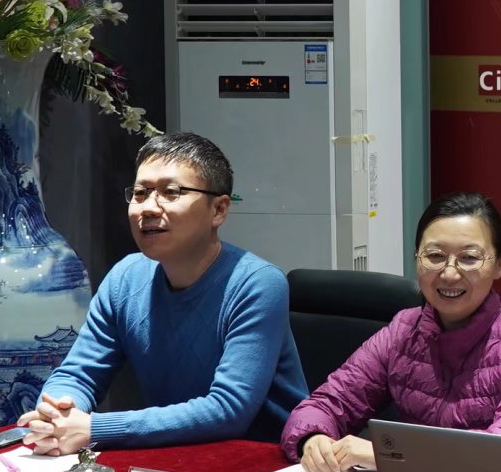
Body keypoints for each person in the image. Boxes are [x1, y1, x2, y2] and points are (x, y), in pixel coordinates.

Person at [23, 133, 308, 454]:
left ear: (218, 210)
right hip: (175, 456)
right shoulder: (125, 278)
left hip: (265, 461)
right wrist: (58, 412)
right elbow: (78, 374)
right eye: (140, 193)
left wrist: (94, 428)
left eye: (171, 192)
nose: (148, 208)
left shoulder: (257, 283)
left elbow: (229, 409)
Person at [280, 191, 501, 472]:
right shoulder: (403, 331)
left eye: (469, 258)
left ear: (499, 264)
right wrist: (314, 440)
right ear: (417, 258)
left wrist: (388, 454)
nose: (450, 274)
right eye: (435, 256)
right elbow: (326, 404)